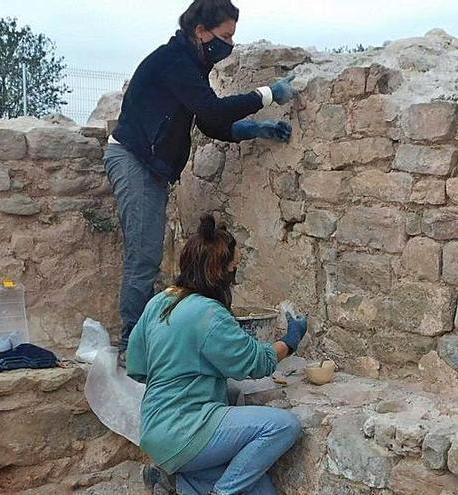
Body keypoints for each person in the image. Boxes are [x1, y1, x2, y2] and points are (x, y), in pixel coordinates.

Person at [105, 0, 297, 360]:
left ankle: (142, 341)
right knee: (144, 256)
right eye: (225, 36)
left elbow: (210, 123)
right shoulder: (173, 61)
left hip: (150, 165)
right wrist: (267, 95)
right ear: (200, 31)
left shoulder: (194, 64)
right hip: (133, 159)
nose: (229, 46)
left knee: (147, 253)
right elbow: (211, 110)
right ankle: (131, 350)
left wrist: (255, 130)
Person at [127, 214, 308, 495]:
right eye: (234, 268)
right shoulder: (209, 314)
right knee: (284, 426)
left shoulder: (160, 302)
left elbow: (138, 367)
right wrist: (290, 341)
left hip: (153, 429)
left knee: (261, 489)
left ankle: (176, 481)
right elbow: (257, 362)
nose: (234, 278)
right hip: (185, 429)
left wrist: (187, 370)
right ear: (220, 272)